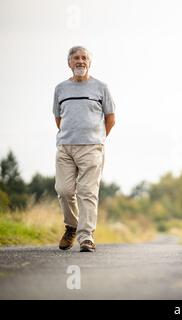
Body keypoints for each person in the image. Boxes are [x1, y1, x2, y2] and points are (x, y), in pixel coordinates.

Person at [53, 46, 116, 252]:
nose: (80, 61)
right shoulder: (60, 89)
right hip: (65, 147)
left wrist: (97, 139)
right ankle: (71, 226)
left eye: (84, 58)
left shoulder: (101, 87)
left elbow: (110, 118)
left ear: (89, 62)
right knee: (64, 190)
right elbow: (58, 117)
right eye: (75, 58)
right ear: (69, 63)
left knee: (87, 192)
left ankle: (86, 236)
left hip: (92, 147)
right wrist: (70, 135)